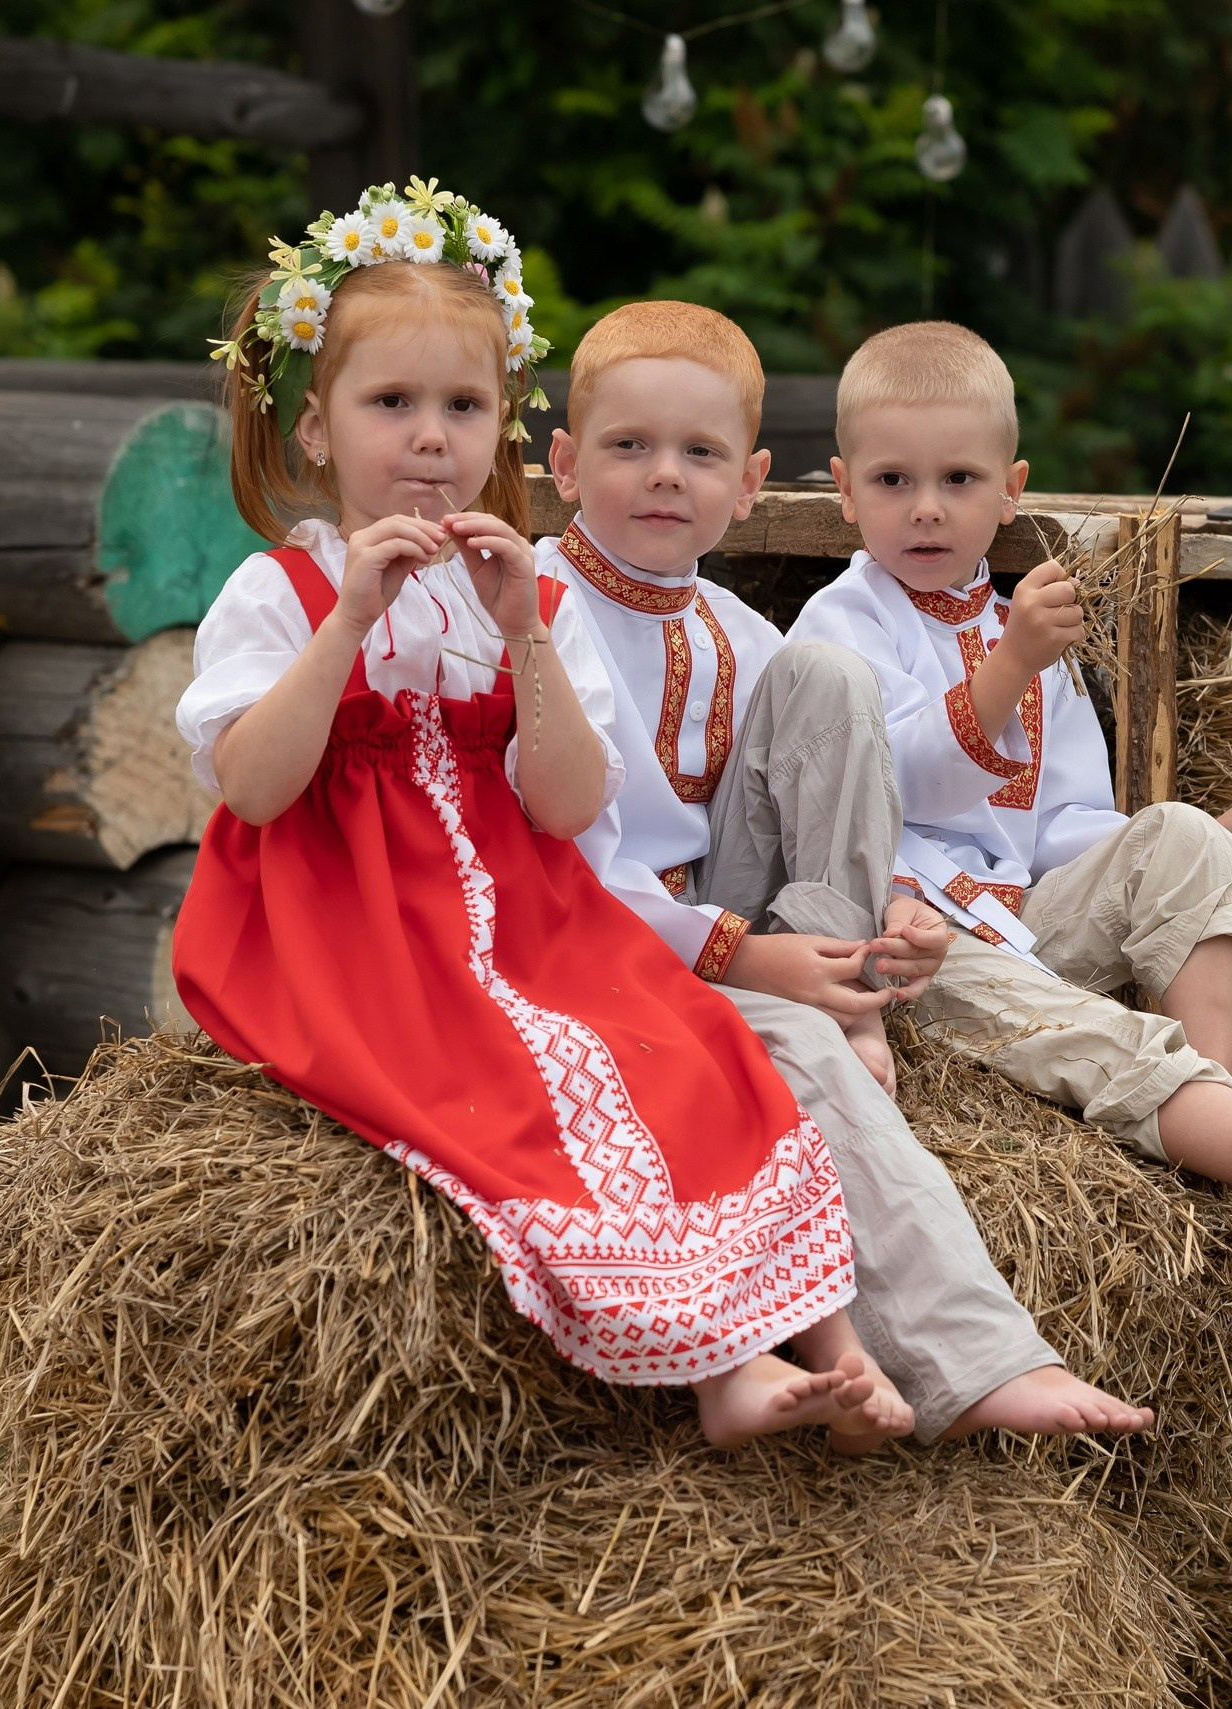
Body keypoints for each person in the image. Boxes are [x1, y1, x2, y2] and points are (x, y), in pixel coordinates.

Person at [168, 181, 907, 1452]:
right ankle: (720, 1368)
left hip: (519, 907)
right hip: (349, 922)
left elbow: (566, 804)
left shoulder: (507, 595)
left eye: (462, 407)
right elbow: (251, 785)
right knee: (527, 1094)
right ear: (316, 430)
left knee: (691, 1043)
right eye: (389, 404)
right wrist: (346, 619)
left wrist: (524, 638)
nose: (427, 437)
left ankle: (836, 1345)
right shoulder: (280, 585)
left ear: (505, 433)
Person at [539, 300, 1154, 1442]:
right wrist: (749, 953)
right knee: (800, 1048)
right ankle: (973, 1363)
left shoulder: (739, 627)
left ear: (751, 483)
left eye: (700, 454)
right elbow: (562, 859)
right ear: (565, 465)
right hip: (606, 937)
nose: (665, 477)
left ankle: (851, 980)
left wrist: (895, 912)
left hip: (732, 898)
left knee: (828, 682)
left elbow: (848, 787)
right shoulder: (538, 608)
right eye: (630, 447)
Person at [790, 320, 1232, 1262]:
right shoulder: (837, 628)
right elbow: (896, 781)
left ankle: (1216, 1136)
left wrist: (1213, 839)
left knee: (1181, 838)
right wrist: (1009, 665)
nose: (925, 509)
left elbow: (1066, 827)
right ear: (844, 490)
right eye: (892, 481)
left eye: (958, 479)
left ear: (1012, 491)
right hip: (916, 943)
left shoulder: (1021, 631)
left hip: (1022, 916)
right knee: (1090, 1030)